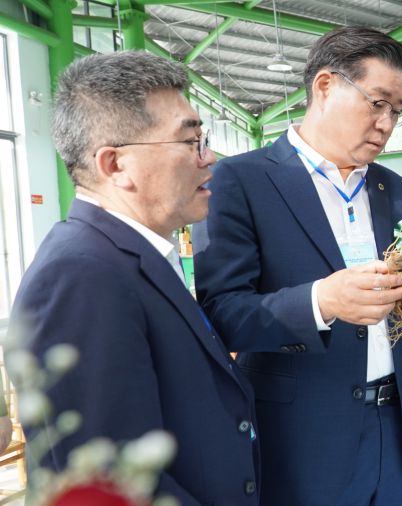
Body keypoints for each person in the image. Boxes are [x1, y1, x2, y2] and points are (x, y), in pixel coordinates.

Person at [193, 27, 402, 506]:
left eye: (397, 110)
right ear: (325, 86)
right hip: (305, 439)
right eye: (377, 102)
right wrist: (319, 302)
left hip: (398, 428)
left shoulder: (393, 188)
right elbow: (223, 314)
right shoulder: (240, 181)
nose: (387, 124)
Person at [10, 52, 259, 504]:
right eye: (190, 141)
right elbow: (110, 482)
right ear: (115, 165)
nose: (209, 157)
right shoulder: (80, 276)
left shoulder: (128, 258)